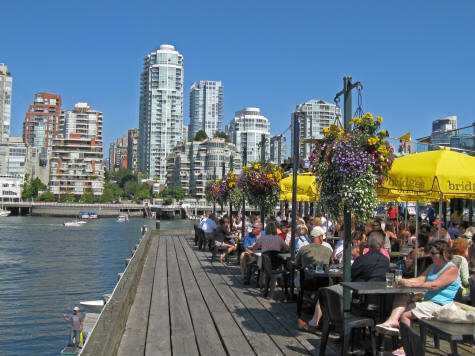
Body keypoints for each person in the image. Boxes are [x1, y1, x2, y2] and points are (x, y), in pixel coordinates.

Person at [376, 240, 460, 337]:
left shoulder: (451, 269)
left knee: (405, 315)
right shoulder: (434, 265)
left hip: (440, 304)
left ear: (442, 254)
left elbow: (434, 285)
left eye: (433, 253)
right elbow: (421, 279)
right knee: (401, 294)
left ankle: (407, 346)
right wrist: (405, 281)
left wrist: (410, 284)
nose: (430, 255)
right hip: (427, 299)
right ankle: (393, 320)